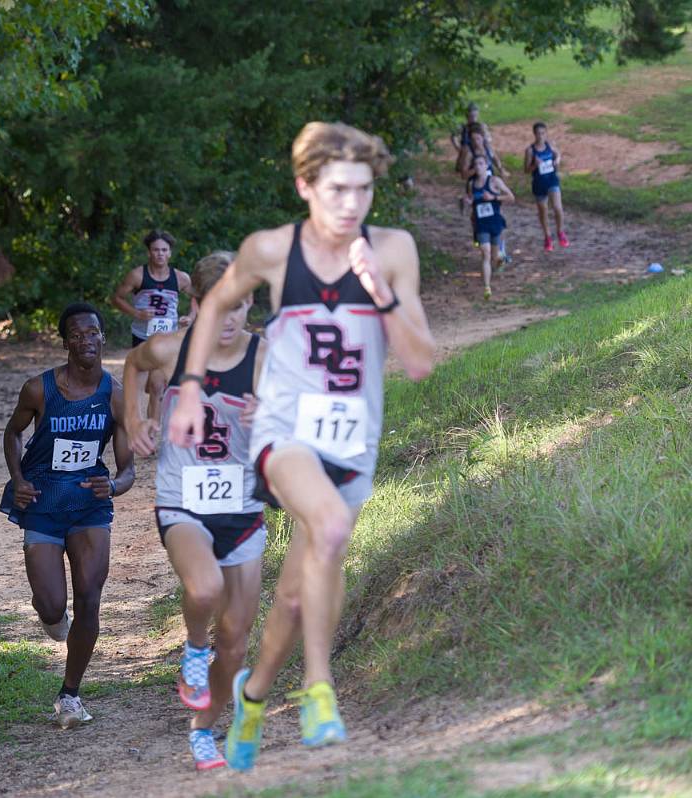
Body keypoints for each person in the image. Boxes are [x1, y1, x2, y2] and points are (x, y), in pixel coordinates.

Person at [166, 122, 435, 771]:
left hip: (352, 441)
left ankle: (253, 698)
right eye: (338, 189)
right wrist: (192, 388)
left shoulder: (393, 249)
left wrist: (383, 295)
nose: (352, 205)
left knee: (293, 594)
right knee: (332, 524)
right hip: (285, 432)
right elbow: (211, 307)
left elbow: (422, 361)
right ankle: (320, 692)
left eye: (364, 190)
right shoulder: (270, 250)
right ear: (305, 185)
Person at [123, 251, 268, 772]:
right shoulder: (171, 349)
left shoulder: (265, 356)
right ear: (198, 304)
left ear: (251, 302)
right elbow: (134, 366)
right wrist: (134, 419)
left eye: (238, 306)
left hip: (244, 507)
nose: (228, 320)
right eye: (216, 307)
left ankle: (204, 730)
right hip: (183, 497)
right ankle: (192, 649)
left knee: (237, 637)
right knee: (204, 589)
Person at [0, 302, 136, 729]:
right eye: (76, 335)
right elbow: (12, 433)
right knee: (51, 603)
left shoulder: (115, 394)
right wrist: (17, 477)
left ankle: (70, 695)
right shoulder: (39, 389)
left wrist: (113, 485)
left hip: (89, 505)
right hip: (42, 502)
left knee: (90, 599)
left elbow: (129, 467)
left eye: (92, 333)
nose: (85, 341)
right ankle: (53, 619)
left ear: (103, 337)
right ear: (66, 343)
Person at [112, 230, 194, 420]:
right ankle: (135, 425)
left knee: (158, 387)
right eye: (156, 250)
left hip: (167, 338)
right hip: (142, 336)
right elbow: (116, 298)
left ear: (170, 253)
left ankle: (152, 430)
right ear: (149, 252)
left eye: (164, 250)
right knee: (137, 386)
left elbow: (197, 297)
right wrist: (136, 313)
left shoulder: (181, 278)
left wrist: (190, 317)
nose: (160, 254)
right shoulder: (137, 275)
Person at [465, 153, 516, 299]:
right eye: (476, 165)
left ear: (486, 165)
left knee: (495, 257)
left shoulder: (494, 181)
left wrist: (494, 197)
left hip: (495, 222)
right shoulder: (471, 184)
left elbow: (511, 197)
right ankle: (487, 287)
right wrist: (468, 202)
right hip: (481, 224)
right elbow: (471, 202)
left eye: (481, 164)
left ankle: (501, 257)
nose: (478, 167)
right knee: (485, 253)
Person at [523, 122, 569, 252]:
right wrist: (534, 166)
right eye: (538, 133)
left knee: (557, 207)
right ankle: (547, 237)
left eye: (543, 133)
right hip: (539, 183)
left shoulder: (550, 145)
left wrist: (557, 161)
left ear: (546, 133)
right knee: (543, 211)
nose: (541, 136)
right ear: (534, 134)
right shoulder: (530, 150)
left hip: (552, 180)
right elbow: (526, 170)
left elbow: (558, 154)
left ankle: (560, 232)